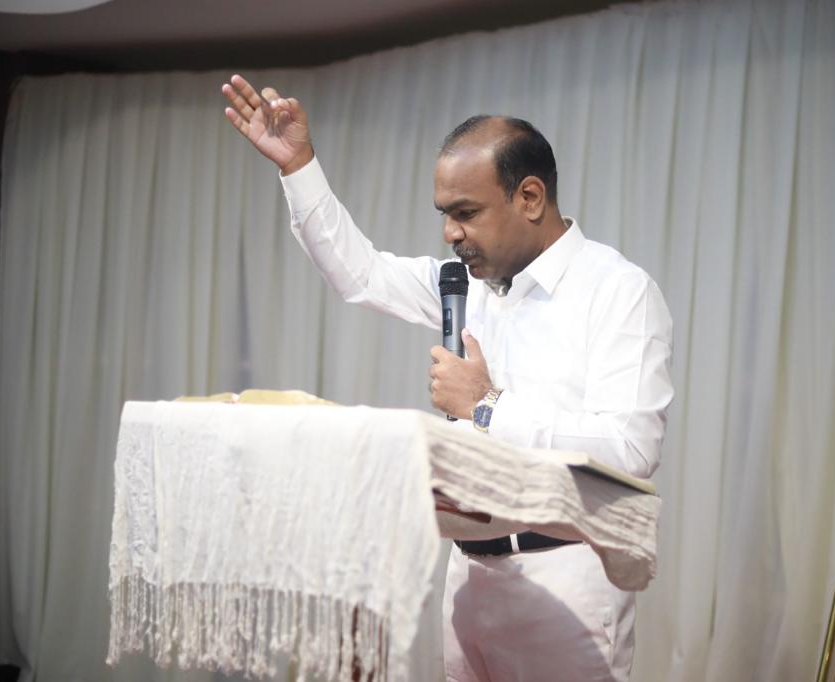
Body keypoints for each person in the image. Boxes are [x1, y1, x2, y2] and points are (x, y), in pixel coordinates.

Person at [222, 74, 674, 682]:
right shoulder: (462, 285)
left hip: (567, 580)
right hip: (467, 577)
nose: (450, 234)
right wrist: (299, 165)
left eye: (466, 213)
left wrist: (488, 406)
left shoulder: (619, 291)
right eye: (445, 215)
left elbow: (631, 449)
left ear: (531, 197)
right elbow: (361, 274)